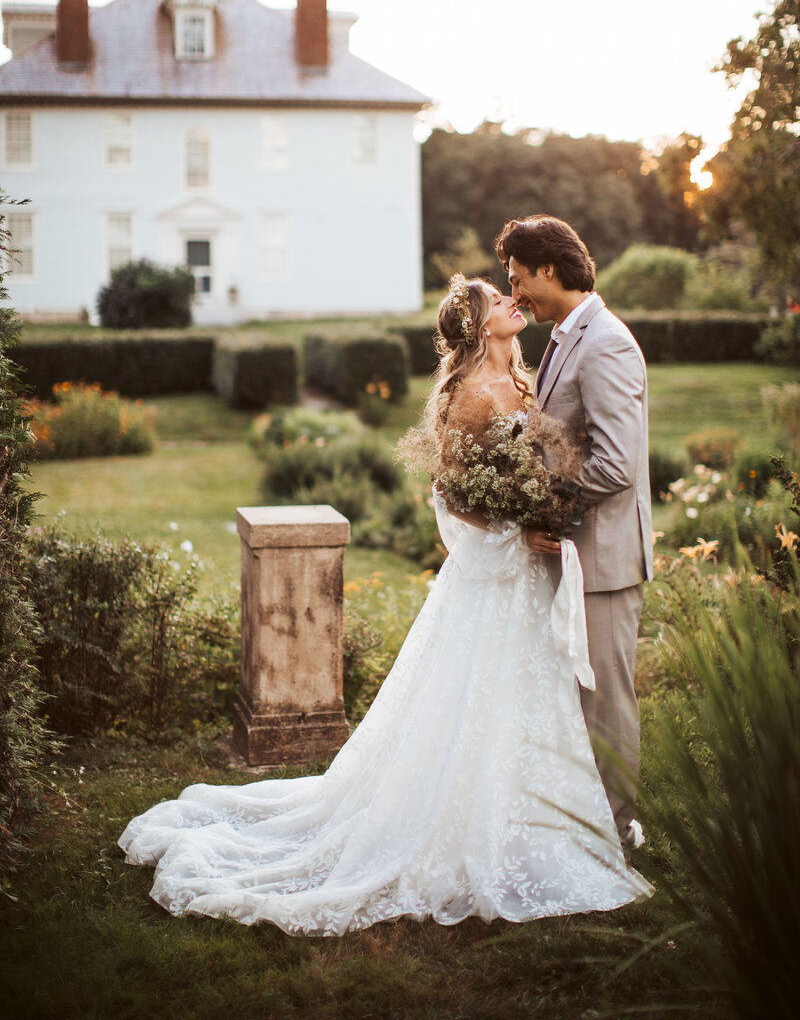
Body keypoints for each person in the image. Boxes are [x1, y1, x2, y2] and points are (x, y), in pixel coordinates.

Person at [118, 278, 651, 935]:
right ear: (480, 325)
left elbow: (541, 461)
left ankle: (533, 814)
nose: (512, 299)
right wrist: (519, 523)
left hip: (532, 569)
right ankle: (462, 824)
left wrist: (542, 505)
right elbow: (455, 496)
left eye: (513, 290)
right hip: (502, 568)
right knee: (480, 693)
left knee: (528, 693)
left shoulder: (521, 378)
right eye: (497, 297)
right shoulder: (469, 394)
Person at [495, 215, 652, 858]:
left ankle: (617, 831)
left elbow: (615, 465)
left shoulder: (606, 342)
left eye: (518, 277)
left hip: (605, 555)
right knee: (574, 693)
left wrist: (543, 504)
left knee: (606, 698)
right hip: (574, 550)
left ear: (549, 270)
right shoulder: (565, 336)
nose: (515, 291)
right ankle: (580, 816)